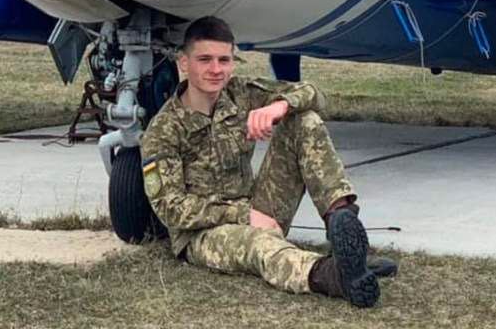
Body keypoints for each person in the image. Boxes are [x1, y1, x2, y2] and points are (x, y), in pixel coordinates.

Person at [140, 16, 396, 307]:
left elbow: (314, 94)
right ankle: (332, 275)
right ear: (184, 63)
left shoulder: (239, 93)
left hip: (259, 208)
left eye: (224, 60)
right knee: (258, 246)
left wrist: (280, 106)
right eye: (205, 60)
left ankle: (344, 233)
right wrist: (244, 215)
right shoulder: (163, 130)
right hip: (202, 234)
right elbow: (171, 208)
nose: (216, 69)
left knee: (304, 119)